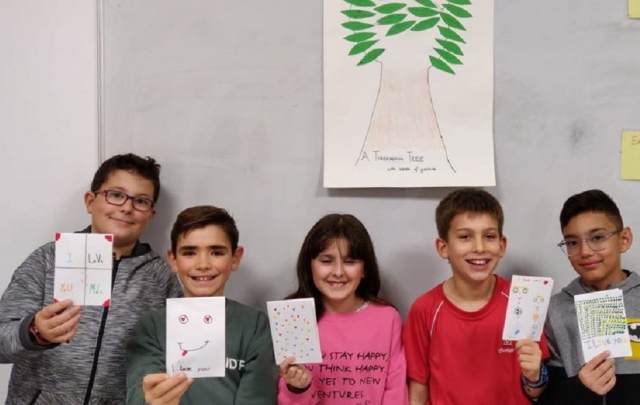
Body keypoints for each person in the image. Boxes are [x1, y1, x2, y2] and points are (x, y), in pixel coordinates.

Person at [0, 153, 182, 404]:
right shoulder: (48, 260)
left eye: (140, 201)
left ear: (151, 215)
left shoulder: (161, 278)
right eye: (116, 195)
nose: (126, 207)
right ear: (90, 201)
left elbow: (175, 354)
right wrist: (35, 332)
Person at [403, 188, 548, 404]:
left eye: (489, 236)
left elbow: (536, 391)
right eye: (465, 237)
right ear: (443, 247)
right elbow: (417, 392)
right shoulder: (425, 309)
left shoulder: (523, 300)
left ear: (502, 246)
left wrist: (535, 376)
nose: (479, 248)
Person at [126, 205, 277, 405]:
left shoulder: (255, 325)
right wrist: (151, 399)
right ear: (173, 260)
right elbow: (139, 393)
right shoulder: (152, 326)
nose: (203, 264)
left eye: (216, 252)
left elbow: (258, 397)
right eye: (189, 253)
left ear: (235, 258)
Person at [277, 213, 408, 405]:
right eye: (326, 261)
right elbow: (286, 400)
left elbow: (395, 393)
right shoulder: (294, 317)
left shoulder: (387, 318)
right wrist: (298, 387)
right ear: (309, 265)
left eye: (350, 261)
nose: (338, 272)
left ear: (365, 268)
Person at [538, 189, 640, 405]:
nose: (585, 251)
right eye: (572, 242)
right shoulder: (556, 309)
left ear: (624, 239)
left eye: (598, 237)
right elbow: (549, 396)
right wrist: (580, 387)